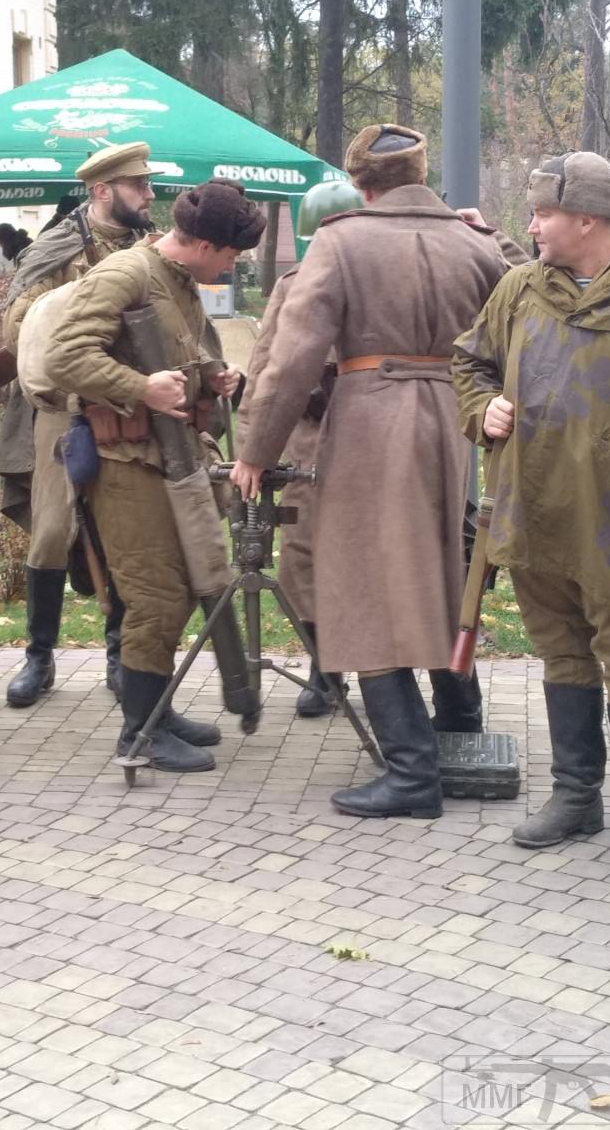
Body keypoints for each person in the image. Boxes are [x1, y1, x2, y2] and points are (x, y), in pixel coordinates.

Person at [231, 124, 516, 819]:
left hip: (371, 422)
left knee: (363, 582)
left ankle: (412, 772)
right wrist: (496, 237)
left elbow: (295, 356)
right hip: (456, 423)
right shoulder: (474, 242)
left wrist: (254, 451)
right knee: (447, 565)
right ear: (421, 171)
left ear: (362, 183)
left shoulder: (341, 240)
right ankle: (459, 723)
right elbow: (524, 314)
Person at [453, 151, 610, 869]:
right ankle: (575, 797)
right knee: (563, 655)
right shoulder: (519, 288)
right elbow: (470, 362)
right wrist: (483, 409)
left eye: (543, 213)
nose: (532, 224)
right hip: (535, 507)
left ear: (587, 219)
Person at [45, 179, 265, 772]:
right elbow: (63, 356)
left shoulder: (180, 283)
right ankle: (138, 733)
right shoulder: (127, 274)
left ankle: (157, 709)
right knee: (154, 598)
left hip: (170, 460)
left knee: (181, 592)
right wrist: (139, 388)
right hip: (124, 466)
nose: (233, 263)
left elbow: (173, 357)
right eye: (230, 253)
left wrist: (213, 379)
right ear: (203, 243)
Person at [0, 142, 155, 709]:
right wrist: (84, 300)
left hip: (129, 409)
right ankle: (38, 656)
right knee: (52, 532)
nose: (150, 195)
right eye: (138, 185)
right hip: (62, 408)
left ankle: (119, 655)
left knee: (122, 532)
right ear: (102, 190)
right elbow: (18, 328)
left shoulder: (150, 250)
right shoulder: (56, 248)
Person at [236, 180, 364, 718]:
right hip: (308, 440)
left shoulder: (374, 276)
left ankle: (376, 671)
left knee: (367, 556)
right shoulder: (291, 284)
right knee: (304, 556)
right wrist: (250, 447)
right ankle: (322, 668)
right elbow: (267, 365)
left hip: (366, 435)